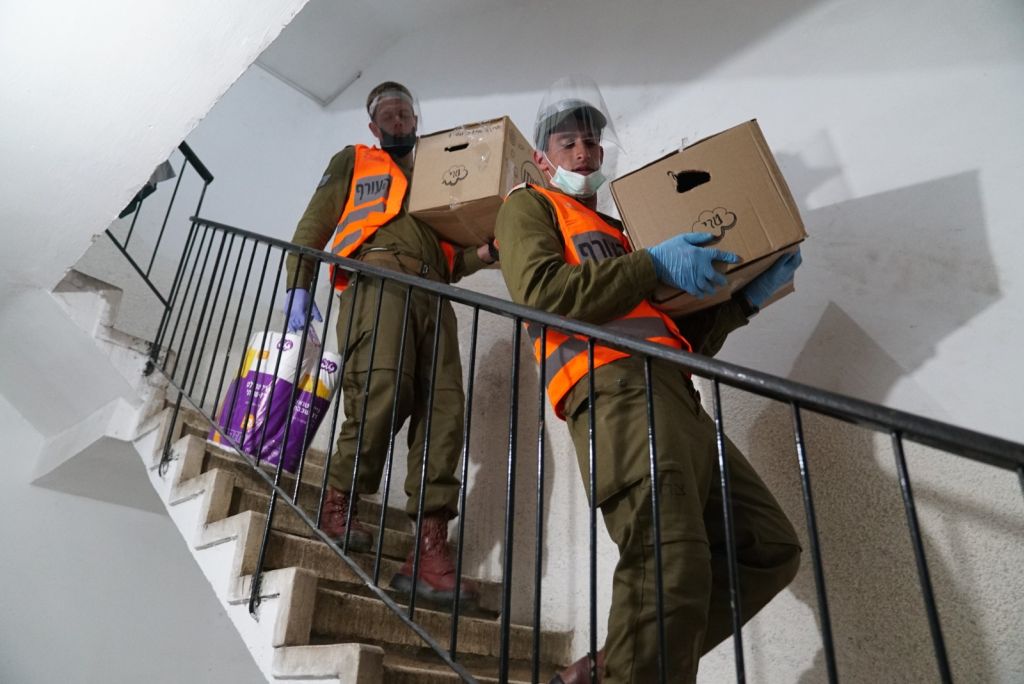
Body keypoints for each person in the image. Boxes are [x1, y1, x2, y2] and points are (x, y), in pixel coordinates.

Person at [494, 76, 803, 683]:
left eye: (591, 141)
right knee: (669, 561)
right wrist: (655, 261)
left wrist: (746, 301)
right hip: (611, 394)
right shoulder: (528, 207)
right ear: (541, 158)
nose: (583, 153)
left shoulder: (624, 231)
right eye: (566, 143)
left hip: (677, 398)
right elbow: (543, 293)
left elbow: (680, 342)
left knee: (768, 547)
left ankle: (618, 659)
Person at [283, 81, 495, 607]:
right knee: (382, 393)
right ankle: (339, 503)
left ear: (416, 120)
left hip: (432, 295)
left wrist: (483, 253)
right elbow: (315, 223)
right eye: (389, 116)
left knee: (444, 413)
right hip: (375, 281)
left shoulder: (435, 176)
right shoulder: (353, 160)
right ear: (374, 126)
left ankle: (427, 552)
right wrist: (298, 286)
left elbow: (449, 258)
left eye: (406, 113)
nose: (400, 122)